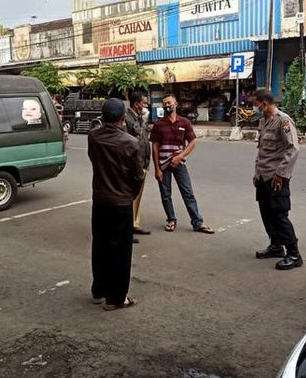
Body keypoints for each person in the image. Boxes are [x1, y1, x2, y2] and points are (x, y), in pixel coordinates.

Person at [88, 98, 144, 310]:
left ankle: (98, 290)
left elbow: (94, 159)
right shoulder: (130, 142)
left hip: (100, 199)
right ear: (123, 118)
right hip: (120, 202)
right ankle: (117, 297)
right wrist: (130, 194)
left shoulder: (94, 137)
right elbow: (137, 176)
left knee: (100, 246)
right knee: (120, 251)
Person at [252, 89, 302, 270]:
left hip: (276, 177)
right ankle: (276, 246)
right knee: (266, 212)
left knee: (280, 215)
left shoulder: (283, 121)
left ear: (264, 103)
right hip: (263, 176)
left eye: (256, 104)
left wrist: (281, 174)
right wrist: (256, 172)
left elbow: (293, 149)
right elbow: (261, 151)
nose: (255, 107)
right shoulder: (264, 121)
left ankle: (294, 254)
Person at [150, 93, 214, 234]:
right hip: (163, 165)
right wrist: (157, 169)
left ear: (176, 104)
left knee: (188, 193)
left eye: (169, 103)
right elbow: (155, 147)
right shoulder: (159, 124)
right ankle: (171, 220)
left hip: (179, 163)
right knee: (166, 195)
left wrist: (181, 156)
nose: (167, 105)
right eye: (165, 103)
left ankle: (197, 222)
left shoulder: (184, 122)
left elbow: (192, 142)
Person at [124, 91, 152, 242]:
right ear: (136, 104)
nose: (146, 105)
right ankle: (127, 229)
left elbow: (144, 140)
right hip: (134, 164)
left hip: (143, 162)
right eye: (144, 103)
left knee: (138, 196)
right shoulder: (127, 119)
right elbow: (128, 144)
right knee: (130, 196)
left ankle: (135, 224)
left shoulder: (141, 118)